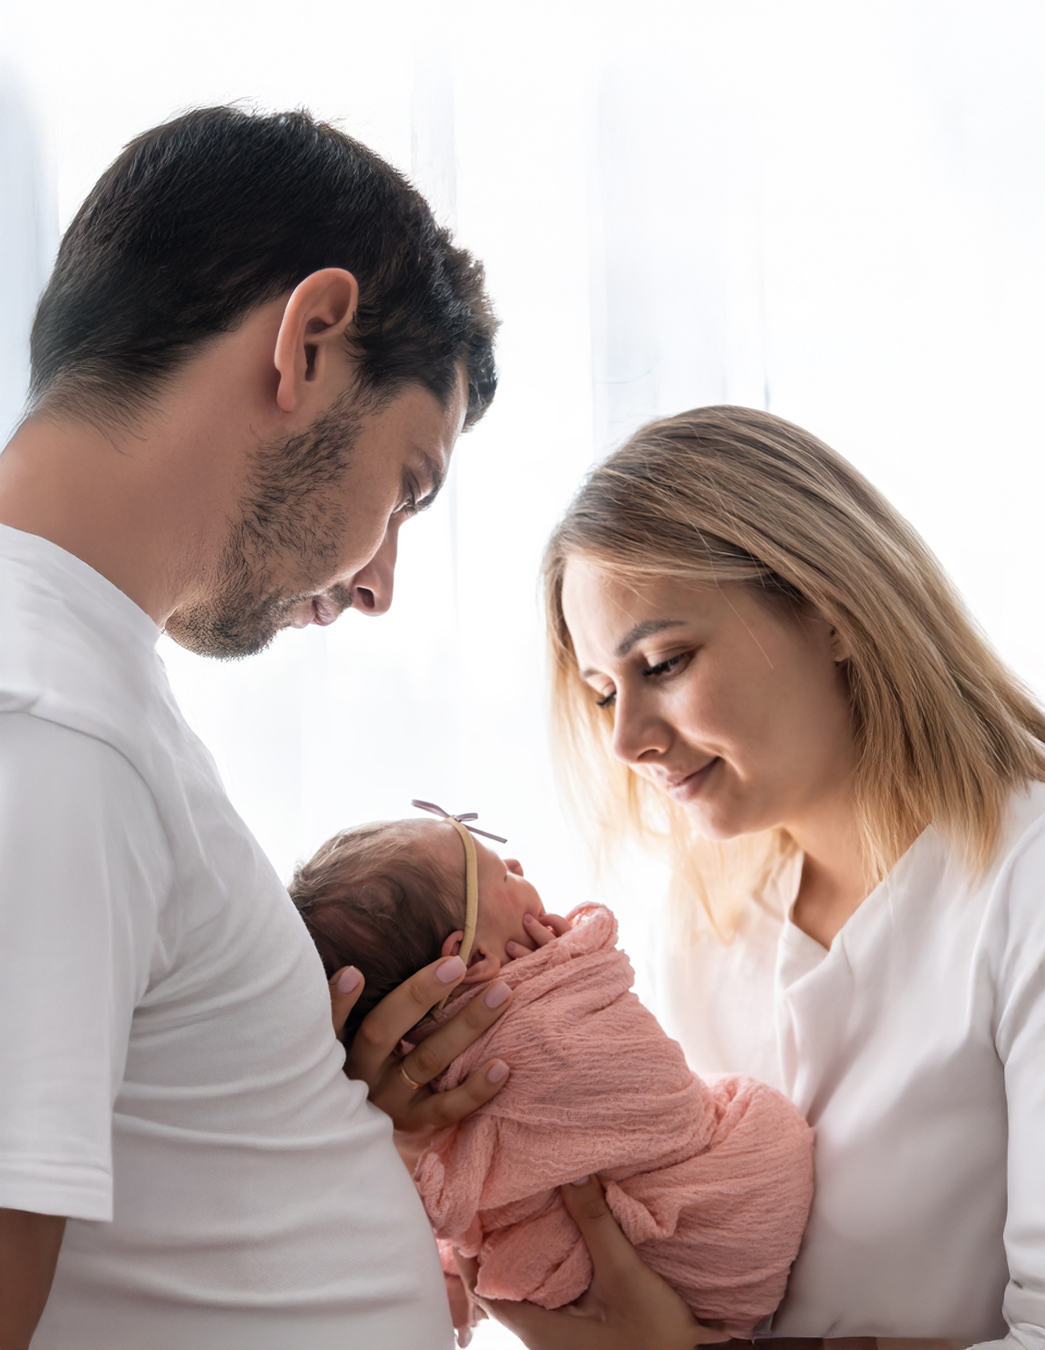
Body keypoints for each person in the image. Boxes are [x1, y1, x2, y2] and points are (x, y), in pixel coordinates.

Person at [0, 104, 516, 1350]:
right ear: (312, 338)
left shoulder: (83, 681)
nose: (381, 580)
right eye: (404, 487)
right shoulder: (53, 721)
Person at [467, 403, 1045, 1350]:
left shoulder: (1020, 882)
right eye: (603, 691)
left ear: (831, 611)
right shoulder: (701, 926)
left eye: (665, 661)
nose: (625, 740)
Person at [291, 806, 814, 1335]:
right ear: (467, 961)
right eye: (502, 874)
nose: (517, 864)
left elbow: (644, 1089)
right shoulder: (522, 1039)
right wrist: (578, 965)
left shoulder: (448, 1074)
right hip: (730, 1225)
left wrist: (573, 974)